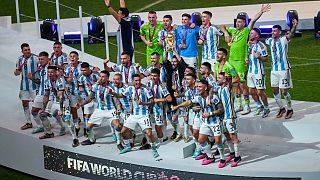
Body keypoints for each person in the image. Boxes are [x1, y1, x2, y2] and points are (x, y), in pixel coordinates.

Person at [220, 4, 271, 114]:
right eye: (237, 21)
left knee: (242, 84)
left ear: (244, 23)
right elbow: (222, 26)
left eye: (240, 22)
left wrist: (261, 11)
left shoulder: (246, 31)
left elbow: (253, 20)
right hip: (231, 61)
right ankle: (239, 105)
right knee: (235, 84)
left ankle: (247, 105)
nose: (238, 23)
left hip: (240, 62)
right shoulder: (233, 31)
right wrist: (225, 33)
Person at [110, 74, 160, 159]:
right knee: (123, 131)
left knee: (149, 133)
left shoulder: (145, 89)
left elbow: (152, 101)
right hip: (133, 115)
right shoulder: (129, 89)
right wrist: (112, 93)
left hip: (144, 115)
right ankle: (128, 146)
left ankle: (154, 148)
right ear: (132, 81)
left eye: (139, 80)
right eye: (136, 80)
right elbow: (121, 95)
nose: (138, 82)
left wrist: (143, 103)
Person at [78, 70, 124, 151]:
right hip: (99, 110)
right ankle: (91, 140)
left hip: (110, 109)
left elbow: (115, 99)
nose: (101, 78)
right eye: (100, 76)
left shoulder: (111, 87)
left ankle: (119, 143)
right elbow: (90, 98)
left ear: (107, 78)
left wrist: (118, 107)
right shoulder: (96, 86)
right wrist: (81, 104)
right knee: (88, 128)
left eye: (103, 76)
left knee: (117, 126)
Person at [38, 65, 79, 147]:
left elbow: (61, 96)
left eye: (51, 72)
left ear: (55, 72)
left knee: (66, 119)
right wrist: (43, 108)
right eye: (48, 72)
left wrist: (61, 109)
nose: (49, 74)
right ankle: (49, 133)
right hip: (54, 101)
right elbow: (46, 95)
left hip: (64, 102)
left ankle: (75, 138)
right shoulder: (47, 82)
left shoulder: (60, 81)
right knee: (42, 115)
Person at [265, 19, 298, 119]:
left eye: (275, 31)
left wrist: (294, 26)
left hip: (284, 70)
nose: (272, 32)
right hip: (274, 70)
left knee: (284, 91)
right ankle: (281, 108)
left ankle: (290, 109)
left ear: (279, 32)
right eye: (272, 30)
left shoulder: (284, 40)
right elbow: (260, 40)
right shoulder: (269, 41)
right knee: (275, 90)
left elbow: (291, 34)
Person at [31, 51, 65, 135]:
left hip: (50, 95)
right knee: (34, 111)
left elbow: (59, 74)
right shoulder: (40, 68)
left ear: (48, 59)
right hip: (41, 93)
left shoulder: (50, 67)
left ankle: (61, 127)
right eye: (39, 59)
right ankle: (40, 126)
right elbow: (40, 81)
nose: (40, 61)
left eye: (42, 59)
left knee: (53, 113)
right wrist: (32, 78)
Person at [216, 72, 242, 167]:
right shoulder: (219, 89)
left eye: (219, 78)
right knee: (227, 136)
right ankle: (232, 153)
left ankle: (237, 156)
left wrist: (229, 77)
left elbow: (236, 80)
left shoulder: (228, 88)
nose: (217, 79)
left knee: (233, 137)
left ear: (224, 80)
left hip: (230, 117)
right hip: (223, 117)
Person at [14, 43, 39, 130]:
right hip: (24, 86)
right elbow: (17, 72)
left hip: (34, 86)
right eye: (25, 50)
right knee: (25, 103)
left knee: (38, 105)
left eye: (28, 49)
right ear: (22, 51)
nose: (28, 51)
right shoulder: (19, 59)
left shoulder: (35, 58)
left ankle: (42, 123)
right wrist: (16, 72)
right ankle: (29, 122)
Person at [247, 28, 270, 117]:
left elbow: (266, 58)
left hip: (258, 72)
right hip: (250, 71)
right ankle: (259, 105)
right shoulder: (249, 44)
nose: (250, 34)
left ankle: (266, 108)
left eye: (252, 33)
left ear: (257, 35)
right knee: (251, 91)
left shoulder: (261, 46)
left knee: (260, 92)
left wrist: (259, 57)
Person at [149, 68, 173, 146]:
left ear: (159, 76)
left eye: (155, 76)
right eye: (151, 76)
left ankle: (161, 142)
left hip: (159, 109)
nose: (153, 78)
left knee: (158, 127)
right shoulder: (148, 84)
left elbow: (169, 98)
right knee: (149, 126)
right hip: (149, 109)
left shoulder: (162, 86)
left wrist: (158, 100)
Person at [78, 62, 100, 136]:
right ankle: (88, 131)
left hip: (98, 99)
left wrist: (94, 85)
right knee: (86, 115)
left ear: (88, 69)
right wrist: (81, 90)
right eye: (82, 70)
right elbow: (81, 87)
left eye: (84, 70)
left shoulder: (96, 74)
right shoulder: (80, 77)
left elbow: (103, 83)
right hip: (88, 99)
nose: (83, 72)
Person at [64, 51, 83, 135]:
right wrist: (69, 79)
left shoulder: (82, 65)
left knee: (84, 107)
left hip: (83, 91)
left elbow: (91, 69)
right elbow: (67, 80)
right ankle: (76, 125)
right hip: (72, 91)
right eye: (70, 56)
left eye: (74, 56)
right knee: (73, 108)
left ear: (78, 58)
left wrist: (95, 68)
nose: (72, 58)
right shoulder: (67, 68)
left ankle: (86, 124)